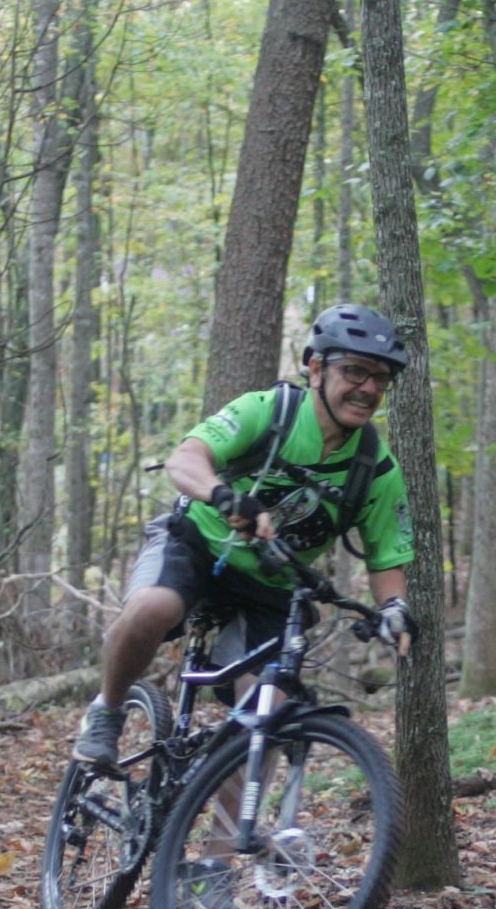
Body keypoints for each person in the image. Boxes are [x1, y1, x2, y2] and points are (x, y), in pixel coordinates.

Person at [72, 304, 419, 770]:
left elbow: (386, 561)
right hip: (198, 543)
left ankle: (223, 845)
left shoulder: (376, 467)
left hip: (273, 584)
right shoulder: (268, 411)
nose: (369, 389)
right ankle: (107, 711)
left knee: (267, 711)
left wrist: (394, 610)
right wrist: (222, 497)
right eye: (355, 372)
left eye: (381, 379)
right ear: (316, 368)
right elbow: (185, 459)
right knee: (154, 607)